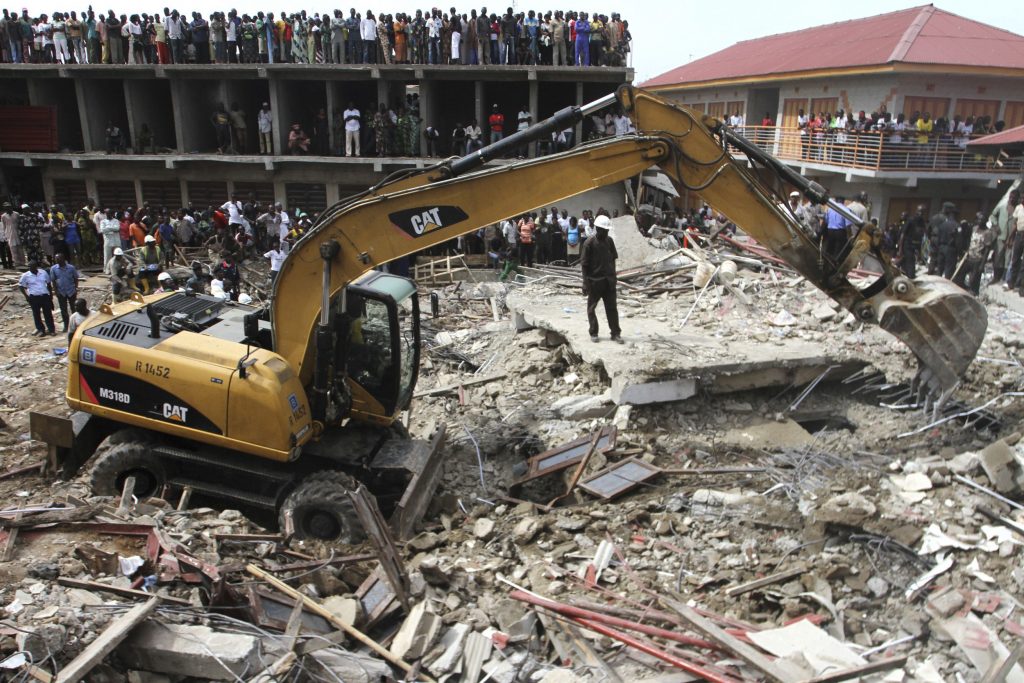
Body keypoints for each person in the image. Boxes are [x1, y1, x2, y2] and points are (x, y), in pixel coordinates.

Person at [581, 214, 620, 342]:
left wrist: (614, 276)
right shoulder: (589, 243)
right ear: (598, 229)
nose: (606, 232)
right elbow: (584, 265)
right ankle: (593, 332)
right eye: (604, 230)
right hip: (595, 282)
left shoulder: (610, 241)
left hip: (609, 281)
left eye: (607, 230)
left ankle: (615, 333)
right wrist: (585, 283)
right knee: (591, 308)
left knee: (612, 308)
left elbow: (613, 259)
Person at [19, 260, 56, 337]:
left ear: (36, 267)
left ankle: (51, 329)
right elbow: (21, 286)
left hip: (44, 296)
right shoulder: (26, 275)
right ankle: (41, 330)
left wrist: (50, 295)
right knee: (36, 314)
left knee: (48, 314)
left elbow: (48, 283)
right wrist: (26, 296)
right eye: (29, 267)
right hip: (34, 297)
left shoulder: (43, 273)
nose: (30, 268)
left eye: (31, 267)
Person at [989, 189, 1019, 283]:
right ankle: (995, 277)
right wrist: (996, 225)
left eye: (1013, 198)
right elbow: (992, 216)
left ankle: (1004, 278)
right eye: (1010, 197)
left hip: (1011, 239)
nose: (1011, 199)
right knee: (998, 258)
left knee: (1008, 259)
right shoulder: (1002, 206)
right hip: (1001, 236)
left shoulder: (1018, 209)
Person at [961, 217, 994, 296]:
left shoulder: (987, 233)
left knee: (974, 280)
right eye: (978, 219)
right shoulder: (974, 228)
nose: (978, 221)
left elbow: (987, 249)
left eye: (981, 219)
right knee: (960, 275)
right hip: (969, 256)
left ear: (985, 221)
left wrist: (983, 264)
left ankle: (973, 294)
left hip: (978, 259)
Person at [928, 202, 959, 279]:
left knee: (933, 257)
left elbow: (928, 228)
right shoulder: (946, 219)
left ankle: (930, 273)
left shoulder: (934, 217)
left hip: (933, 238)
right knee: (942, 260)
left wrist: (930, 237)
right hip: (942, 239)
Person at [49, 251, 78, 332]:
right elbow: (53, 281)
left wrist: (76, 288)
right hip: (61, 292)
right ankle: (66, 326)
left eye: (59, 258)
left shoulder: (71, 268)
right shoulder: (53, 269)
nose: (57, 260)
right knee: (63, 310)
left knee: (74, 309)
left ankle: (75, 325)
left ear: (63, 259)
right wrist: (56, 291)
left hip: (71, 291)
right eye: (56, 259)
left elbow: (75, 278)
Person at [0, 202, 18, 268]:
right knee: (2, 253)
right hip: (0, 239)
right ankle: (5, 265)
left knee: (9, 251)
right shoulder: (4, 218)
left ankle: (10, 264)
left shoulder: (5, 219)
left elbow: (5, 228)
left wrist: (6, 237)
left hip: (7, 237)